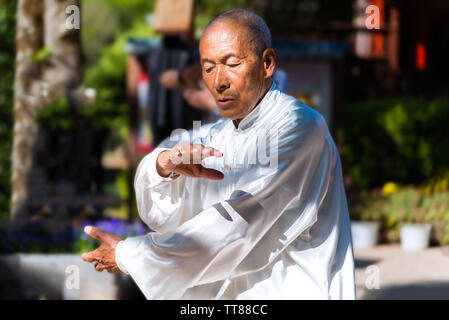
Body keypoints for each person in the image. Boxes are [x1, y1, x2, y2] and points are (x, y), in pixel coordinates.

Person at [81, 8, 356, 300]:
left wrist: (130, 255)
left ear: (267, 63)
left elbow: (237, 224)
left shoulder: (299, 127)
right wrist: (163, 166)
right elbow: (165, 211)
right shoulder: (219, 135)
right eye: (208, 67)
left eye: (231, 63)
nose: (218, 81)